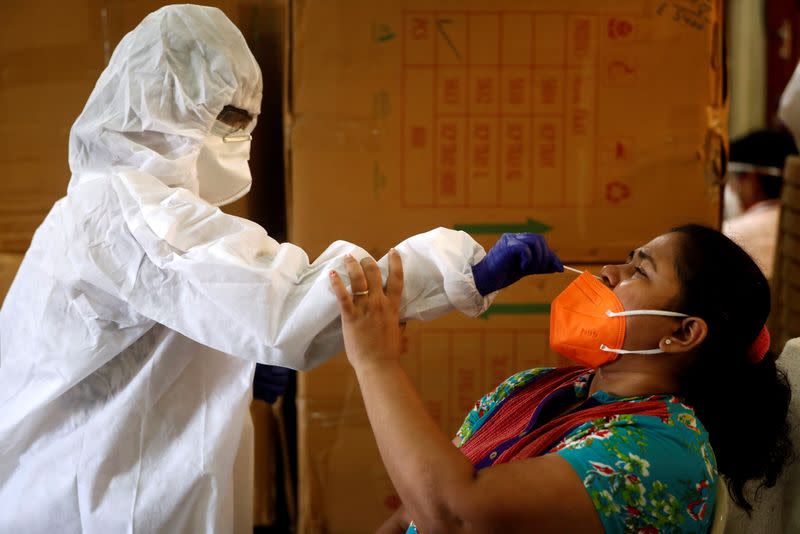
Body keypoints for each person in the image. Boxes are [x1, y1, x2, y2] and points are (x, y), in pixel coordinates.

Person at [0, 6, 562, 533]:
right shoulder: (128, 215)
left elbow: (155, 329)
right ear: (159, 105)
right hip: (92, 502)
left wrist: (228, 367)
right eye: (225, 120)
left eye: (245, 122)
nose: (237, 139)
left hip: (98, 476)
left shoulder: (101, 207)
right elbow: (289, 303)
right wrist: (457, 269)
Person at [330, 224, 793, 533]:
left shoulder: (663, 455)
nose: (608, 273)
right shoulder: (538, 387)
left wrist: (376, 362)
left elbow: (454, 515)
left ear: (683, 332)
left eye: (639, 270)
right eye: (627, 259)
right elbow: (417, 504)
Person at [722, 129, 797, 279]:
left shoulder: (730, 235)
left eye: (736, 178)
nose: (732, 188)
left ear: (752, 180)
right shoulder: (794, 227)